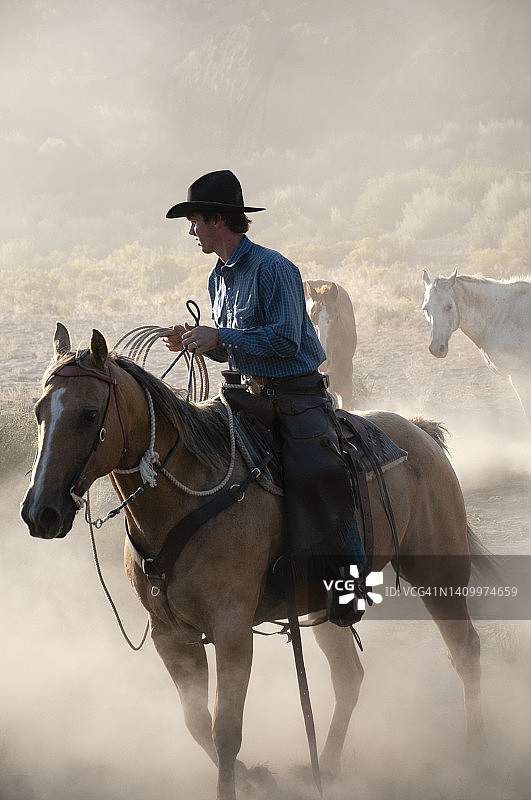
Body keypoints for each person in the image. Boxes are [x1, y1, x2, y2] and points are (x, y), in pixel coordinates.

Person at [163, 170, 366, 626]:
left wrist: (221, 334)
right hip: (246, 396)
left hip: (298, 398)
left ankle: (351, 586)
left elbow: (287, 341)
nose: (191, 230)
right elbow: (235, 348)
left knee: (322, 474)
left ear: (219, 219)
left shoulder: (275, 269)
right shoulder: (218, 278)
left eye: (194, 220)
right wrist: (201, 341)